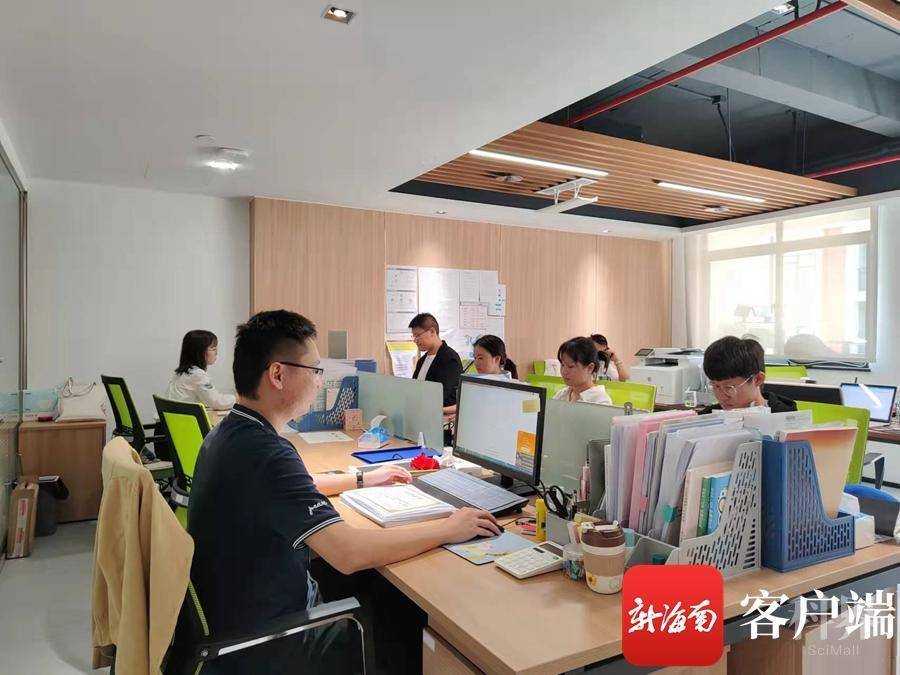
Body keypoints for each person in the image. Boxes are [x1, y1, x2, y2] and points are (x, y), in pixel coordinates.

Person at [188, 310, 498, 674]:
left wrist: (363, 478)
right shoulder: (267, 453)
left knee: (376, 585)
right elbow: (349, 552)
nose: (319, 382)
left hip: (241, 612)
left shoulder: (232, 434)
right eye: (315, 370)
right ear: (278, 374)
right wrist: (449, 527)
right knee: (405, 611)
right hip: (270, 641)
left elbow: (298, 485)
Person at [699, 335, 797, 413]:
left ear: (758, 379)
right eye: (716, 386)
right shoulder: (707, 417)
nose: (721, 397)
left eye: (729, 387)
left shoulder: (787, 419)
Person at [443, 334, 518, 417]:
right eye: (475, 358)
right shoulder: (478, 381)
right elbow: (467, 405)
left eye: (480, 358)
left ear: (497, 359)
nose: (476, 363)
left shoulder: (509, 388)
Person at [165, 330, 236, 410]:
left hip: (173, 416)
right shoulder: (197, 375)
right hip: (183, 417)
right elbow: (217, 402)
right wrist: (237, 398)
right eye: (213, 349)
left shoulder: (182, 373)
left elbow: (208, 399)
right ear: (199, 352)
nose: (216, 353)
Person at [409, 313, 463, 410]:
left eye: (418, 335)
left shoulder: (449, 359)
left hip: (440, 415)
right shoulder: (421, 361)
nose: (415, 340)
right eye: (413, 336)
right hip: (421, 411)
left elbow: (441, 395)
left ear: (432, 331)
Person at [553, 337, 613, 404]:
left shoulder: (601, 402)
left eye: (570, 366)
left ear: (590, 368)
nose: (564, 372)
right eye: (562, 365)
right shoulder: (561, 395)